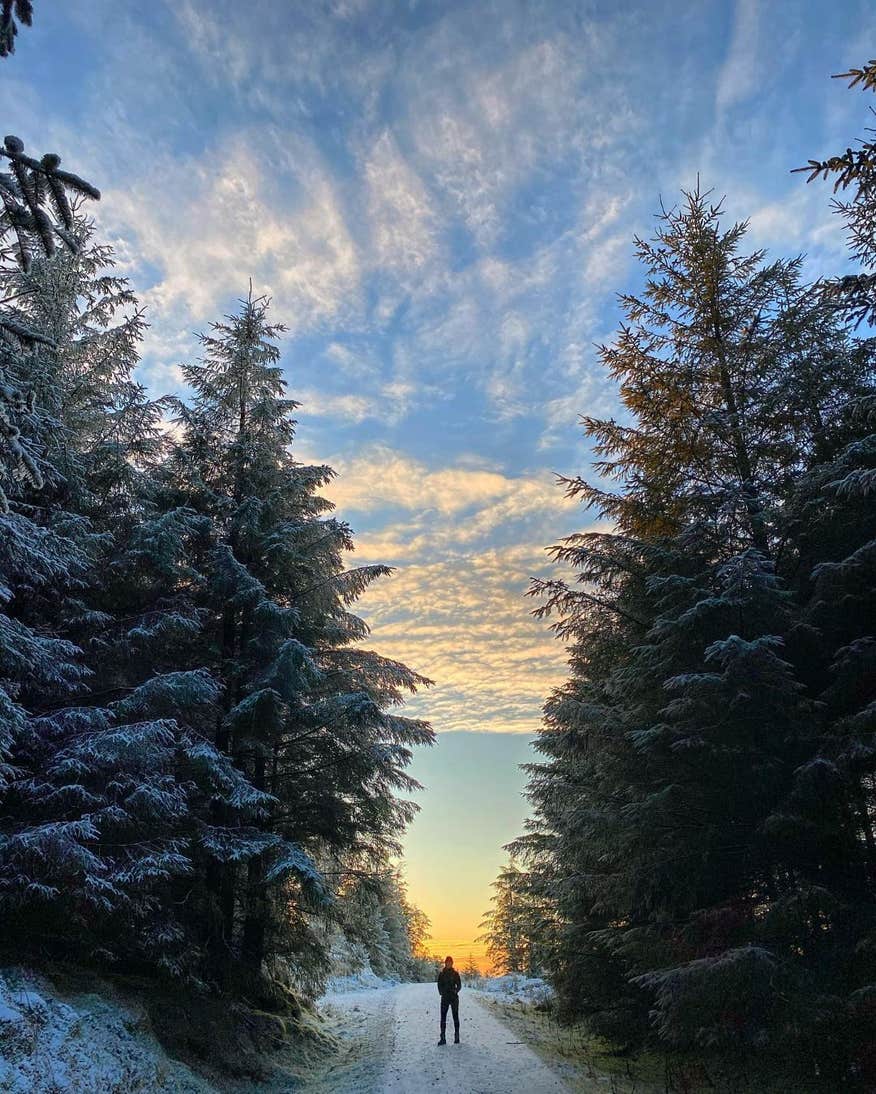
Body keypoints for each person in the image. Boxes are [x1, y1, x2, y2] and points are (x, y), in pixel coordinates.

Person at [436, 955, 461, 1045]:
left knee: (455, 1017)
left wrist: (455, 991)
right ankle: (443, 1038)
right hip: (445, 998)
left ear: (452, 963)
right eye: (447, 962)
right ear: (445, 963)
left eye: (450, 963)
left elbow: (459, 985)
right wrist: (441, 992)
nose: (448, 964)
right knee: (443, 1018)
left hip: (454, 998)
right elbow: (439, 985)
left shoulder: (455, 974)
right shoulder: (442, 974)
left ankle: (457, 1037)